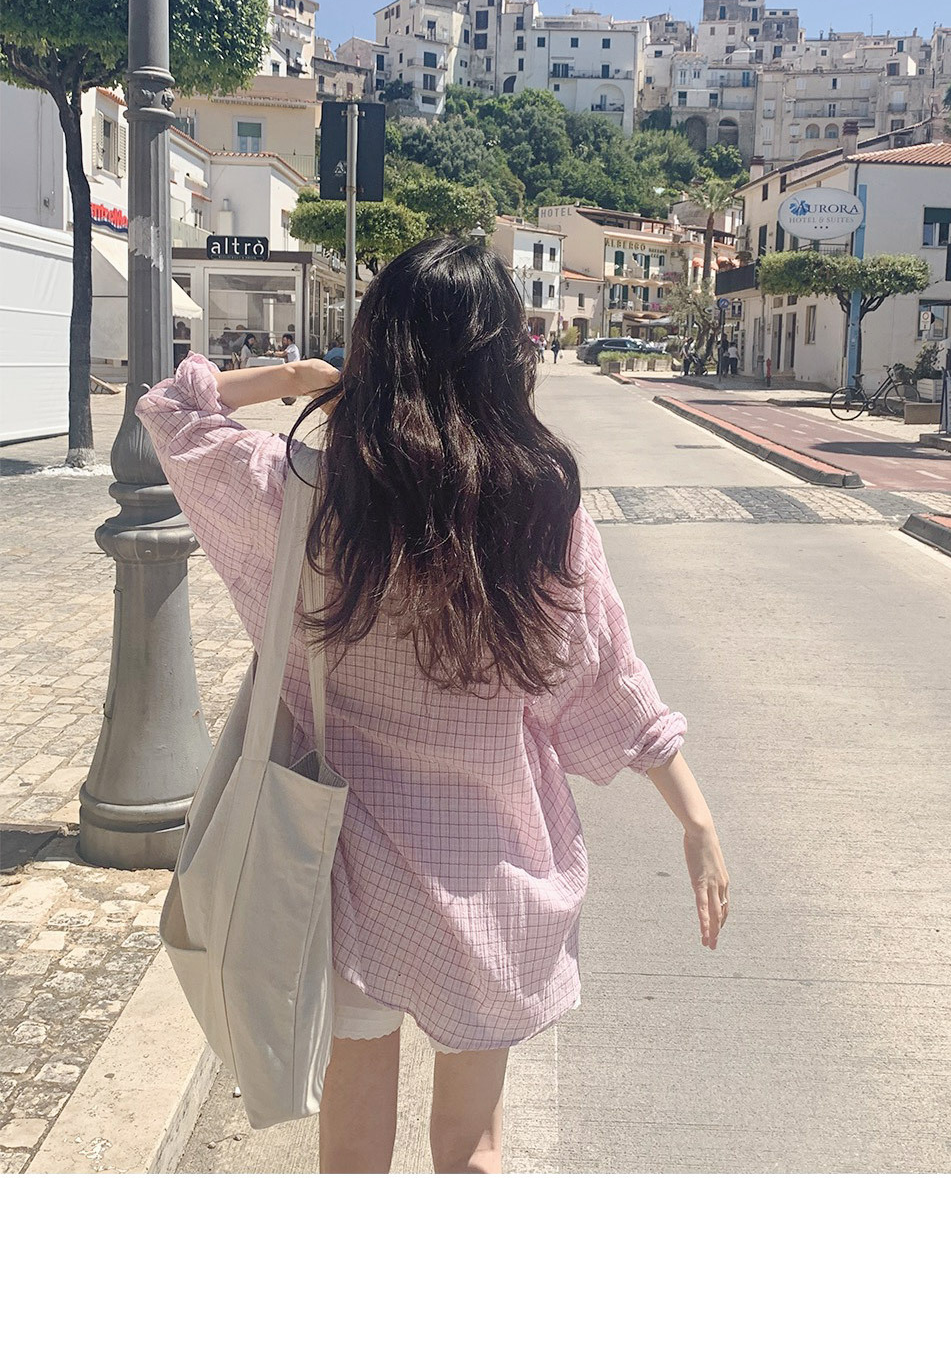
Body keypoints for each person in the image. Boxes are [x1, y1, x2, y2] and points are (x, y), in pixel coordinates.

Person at [138, 233, 729, 1177]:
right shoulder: (539, 515)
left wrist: (299, 375)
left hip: (349, 871)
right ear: (503, 361)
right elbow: (610, 681)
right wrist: (694, 816)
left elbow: (173, 409)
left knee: (353, 1150)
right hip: (493, 875)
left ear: (376, 348)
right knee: (473, 1149)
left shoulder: (306, 499)